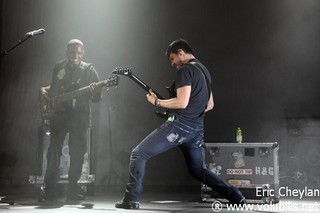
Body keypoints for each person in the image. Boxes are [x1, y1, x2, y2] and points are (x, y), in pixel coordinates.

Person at [115, 38, 246, 209]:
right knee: (197, 171)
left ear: (181, 53)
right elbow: (210, 104)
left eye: (172, 59)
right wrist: (189, 113)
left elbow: (181, 103)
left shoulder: (185, 70)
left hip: (179, 127)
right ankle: (235, 196)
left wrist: (157, 102)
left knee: (138, 154)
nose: (173, 64)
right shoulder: (204, 71)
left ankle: (131, 199)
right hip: (197, 129)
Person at [40, 39, 102, 201]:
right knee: (53, 151)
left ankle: (73, 189)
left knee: (77, 154)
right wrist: (46, 93)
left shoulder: (89, 70)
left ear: (83, 54)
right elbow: (54, 90)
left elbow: (96, 98)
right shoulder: (58, 67)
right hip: (59, 116)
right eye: (72, 52)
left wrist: (95, 91)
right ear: (66, 52)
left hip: (79, 117)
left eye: (78, 53)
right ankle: (50, 190)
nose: (75, 55)